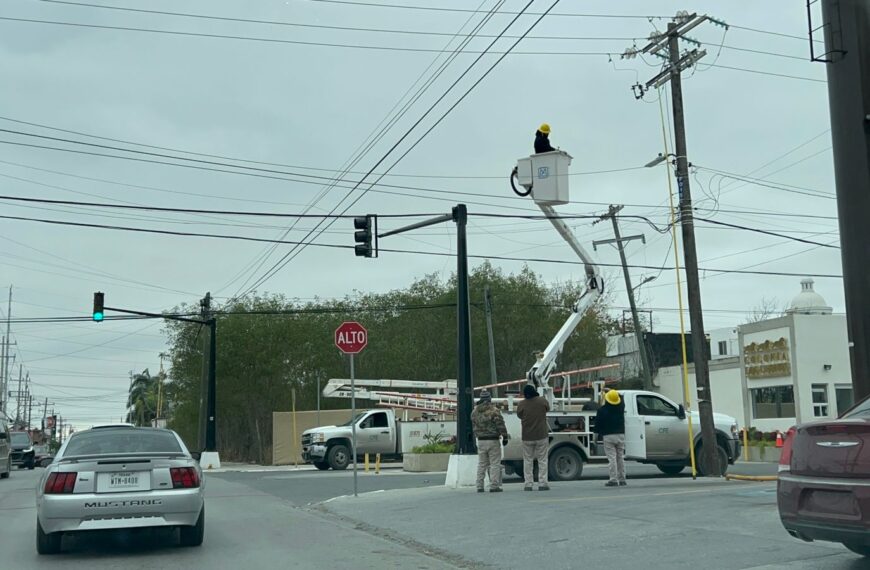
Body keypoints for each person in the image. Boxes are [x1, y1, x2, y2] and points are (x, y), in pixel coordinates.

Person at [470, 389, 508, 493]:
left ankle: (479, 485)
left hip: (481, 441)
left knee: (482, 464)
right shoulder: (494, 410)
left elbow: (473, 425)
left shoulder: (474, 411)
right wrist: (505, 437)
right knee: (494, 464)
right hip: (493, 440)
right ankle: (494, 485)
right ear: (489, 399)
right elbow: (500, 424)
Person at [517, 384, 550, 491]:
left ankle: (528, 484)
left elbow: (519, 415)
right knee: (542, 460)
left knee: (528, 461)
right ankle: (543, 483)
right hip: (541, 435)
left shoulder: (522, 404)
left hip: (527, 436)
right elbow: (547, 409)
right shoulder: (542, 401)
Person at [594, 389, 626, 487]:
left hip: (608, 436)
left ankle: (613, 479)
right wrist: (612, 391)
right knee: (620, 457)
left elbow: (597, 426)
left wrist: (595, 438)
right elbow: (621, 397)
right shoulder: (620, 407)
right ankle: (622, 479)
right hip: (620, 434)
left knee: (612, 458)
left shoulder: (602, 410)